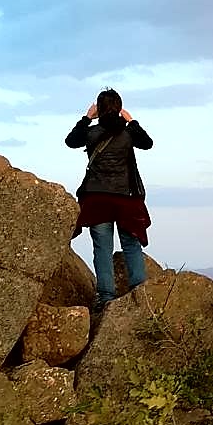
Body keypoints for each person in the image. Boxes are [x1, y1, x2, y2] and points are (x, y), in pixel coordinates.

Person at [66, 89, 153, 311]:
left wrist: (86, 117)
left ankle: (106, 296)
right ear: (119, 108)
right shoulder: (128, 134)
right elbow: (147, 143)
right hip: (125, 199)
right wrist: (131, 120)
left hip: (97, 199)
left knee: (102, 248)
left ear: (99, 109)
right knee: (131, 245)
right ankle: (139, 293)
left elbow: (71, 141)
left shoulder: (92, 133)